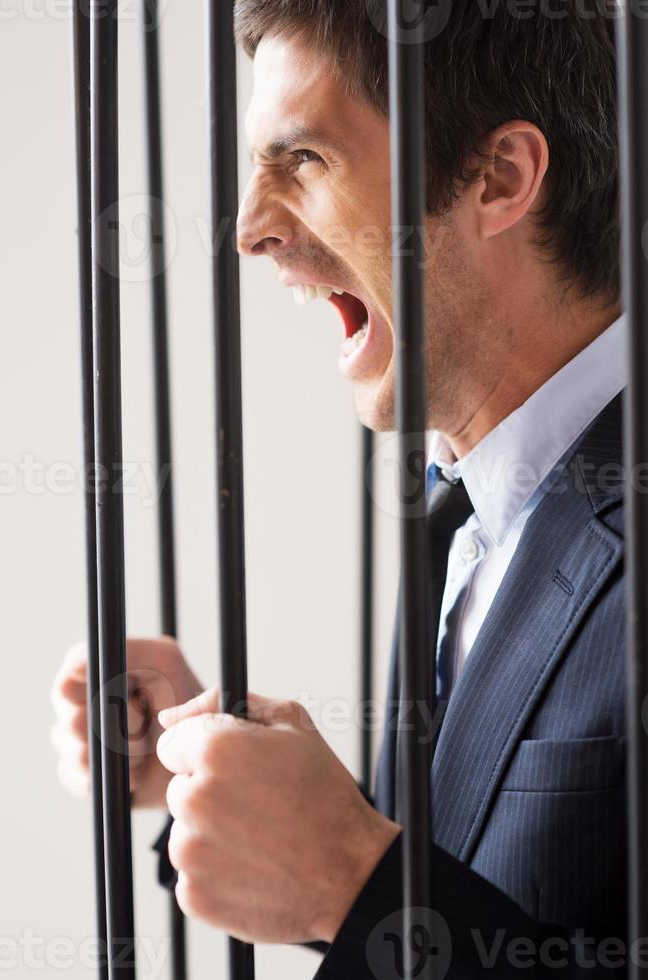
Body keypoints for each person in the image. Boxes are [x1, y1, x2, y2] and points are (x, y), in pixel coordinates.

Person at [51, 2, 631, 975]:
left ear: (499, 178)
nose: (249, 230)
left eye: (305, 158)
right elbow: (500, 910)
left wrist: (351, 877)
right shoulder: (467, 514)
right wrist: (231, 784)